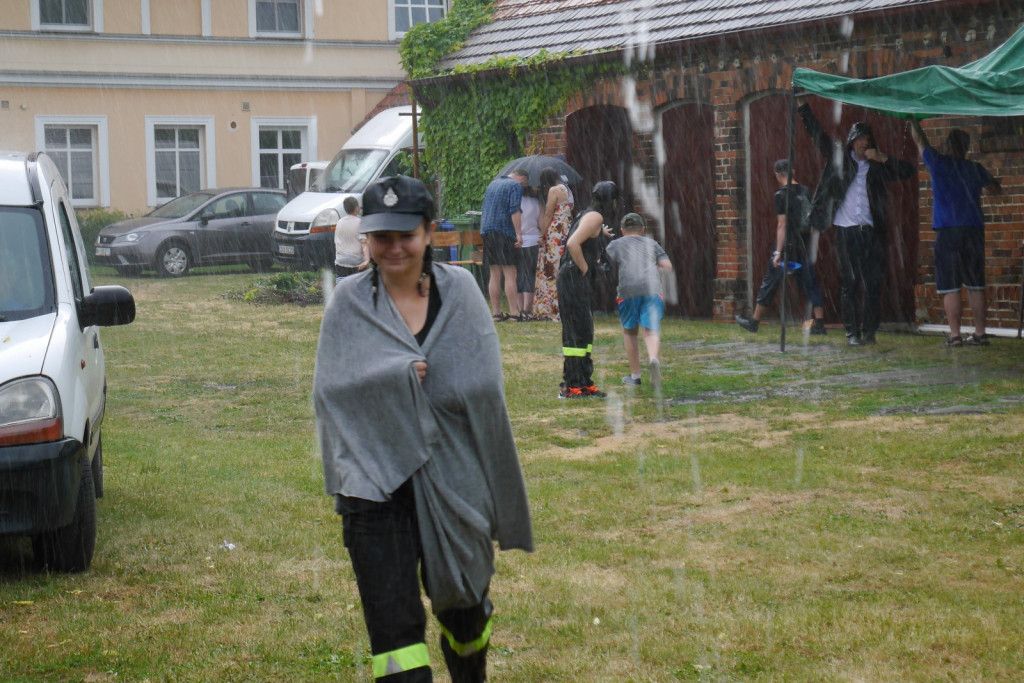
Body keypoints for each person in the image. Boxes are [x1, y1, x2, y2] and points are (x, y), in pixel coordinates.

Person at [313, 175, 534, 682]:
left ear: (428, 233)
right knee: (396, 646)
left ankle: (468, 656)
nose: (394, 248)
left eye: (405, 236)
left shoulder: (461, 293)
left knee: (464, 617)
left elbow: (482, 386)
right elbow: (332, 392)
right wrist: (396, 380)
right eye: (380, 237)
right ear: (365, 238)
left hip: (453, 478)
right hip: (372, 485)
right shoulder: (348, 302)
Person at [798, 104, 915, 345]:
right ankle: (852, 333)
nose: (864, 144)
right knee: (849, 284)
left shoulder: (877, 167)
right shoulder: (840, 160)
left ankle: (870, 332)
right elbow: (818, 136)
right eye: (860, 139)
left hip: (871, 233)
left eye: (867, 140)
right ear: (852, 142)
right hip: (846, 231)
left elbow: (907, 170)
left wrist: (882, 158)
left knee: (873, 285)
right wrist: (804, 109)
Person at [910, 120, 1001, 347]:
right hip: (973, 230)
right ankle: (980, 333)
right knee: (975, 284)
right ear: (967, 148)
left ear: (948, 146)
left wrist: (911, 119)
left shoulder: (938, 163)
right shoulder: (974, 168)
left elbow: (920, 140)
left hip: (948, 231)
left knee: (950, 286)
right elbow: (995, 190)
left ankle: (955, 335)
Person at [736, 159, 827, 335]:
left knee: (771, 281)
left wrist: (778, 251)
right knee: (810, 282)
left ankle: (754, 322)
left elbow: (782, 224)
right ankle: (820, 324)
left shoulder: (781, 195)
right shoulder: (805, 191)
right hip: (804, 243)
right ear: (793, 171)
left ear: (777, 174)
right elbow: (813, 221)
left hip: (788, 245)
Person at [556, 180, 620, 399]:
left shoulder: (589, 215)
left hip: (570, 279)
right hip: (573, 278)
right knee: (577, 331)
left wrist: (601, 234)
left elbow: (585, 234)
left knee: (582, 330)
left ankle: (583, 383)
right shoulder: (595, 217)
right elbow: (573, 244)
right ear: (612, 201)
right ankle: (573, 385)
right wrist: (584, 269)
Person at [605, 212, 673, 390]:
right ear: (643, 229)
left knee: (630, 332)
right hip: (651, 289)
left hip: (628, 290)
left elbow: (602, 262)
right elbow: (667, 266)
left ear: (622, 230)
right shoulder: (652, 243)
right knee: (650, 330)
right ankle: (653, 359)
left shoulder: (616, 244)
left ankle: (635, 376)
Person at [480, 168, 528, 321]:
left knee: (494, 274)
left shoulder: (492, 184)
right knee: (510, 273)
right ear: (522, 179)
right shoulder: (515, 186)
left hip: (487, 231)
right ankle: (514, 312)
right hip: (504, 231)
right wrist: (518, 233)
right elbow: (515, 210)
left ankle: (496, 313)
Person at [533, 167, 575, 321]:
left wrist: (542, 234)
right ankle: (564, 306)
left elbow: (549, 214)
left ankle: (551, 309)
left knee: (551, 269)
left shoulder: (554, 191)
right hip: (566, 231)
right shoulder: (568, 191)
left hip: (555, 232)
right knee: (561, 267)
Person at [516, 185, 542, 318]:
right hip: (533, 240)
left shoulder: (514, 201)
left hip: (516, 241)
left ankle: (520, 309)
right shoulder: (537, 202)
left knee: (518, 275)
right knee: (530, 275)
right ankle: (527, 309)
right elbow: (541, 223)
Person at [333, 195, 369, 281]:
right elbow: (364, 243)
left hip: (341, 259)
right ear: (357, 208)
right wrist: (367, 260)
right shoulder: (360, 223)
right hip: (356, 261)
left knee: (342, 286)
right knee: (357, 286)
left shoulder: (339, 222)